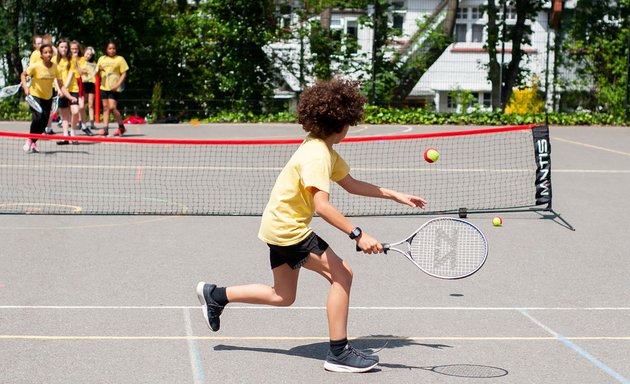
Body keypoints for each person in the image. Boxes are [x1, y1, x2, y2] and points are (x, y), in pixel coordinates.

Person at [195, 78, 427, 373]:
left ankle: (216, 295)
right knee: (343, 274)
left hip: (277, 226)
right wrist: (358, 234)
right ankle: (339, 354)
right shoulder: (318, 155)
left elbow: (350, 183)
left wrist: (393, 194)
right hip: (289, 230)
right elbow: (323, 206)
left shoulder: (321, 147)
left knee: (283, 296)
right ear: (343, 123)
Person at [20, 43, 75, 153]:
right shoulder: (36, 66)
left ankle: (33, 141)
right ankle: (30, 140)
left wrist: (69, 97)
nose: (48, 54)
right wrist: (26, 87)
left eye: (50, 52)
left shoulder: (56, 68)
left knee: (44, 122)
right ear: (41, 55)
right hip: (35, 96)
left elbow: (61, 84)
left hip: (48, 97)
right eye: (45, 52)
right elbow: (23, 75)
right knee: (38, 118)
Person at [96, 41, 128, 136]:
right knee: (106, 108)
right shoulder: (101, 59)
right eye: (110, 48)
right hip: (104, 87)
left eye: (113, 48)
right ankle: (105, 129)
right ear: (106, 49)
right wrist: (98, 70)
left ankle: (121, 127)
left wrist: (117, 85)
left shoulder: (120, 59)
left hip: (114, 88)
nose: (112, 50)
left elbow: (124, 74)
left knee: (112, 108)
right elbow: (96, 73)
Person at [79, 46, 98, 131]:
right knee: (82, 104)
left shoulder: (93, 63)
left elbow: (95, 72)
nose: (88, 56)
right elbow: (78, 70)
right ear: (84, 53)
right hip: (83, 83)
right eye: (87, 54)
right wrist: (82, 71)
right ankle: (80, 121)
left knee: (90, 104)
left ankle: (92, 122)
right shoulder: (80, 60)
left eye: (90, 55)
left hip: (91, 83)